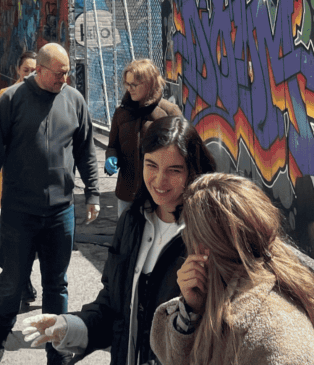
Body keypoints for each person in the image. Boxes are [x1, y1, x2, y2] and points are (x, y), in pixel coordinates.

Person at [22, 115, 216, 365]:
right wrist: (70, 326)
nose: (159, 181)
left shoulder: (208, 236)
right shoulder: (132, 222)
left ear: (193, 171)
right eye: (151, 165)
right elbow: (114, 307)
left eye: (174, 170)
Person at [0, 42, 101, 365]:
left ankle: (56, 350)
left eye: (67, 74)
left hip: (60, 212)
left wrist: (93, 193)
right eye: (59, 74)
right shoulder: (12, 99)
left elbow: (86, 150)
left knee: (56, 285)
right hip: (19, 211)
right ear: (40, 71)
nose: (65, 79)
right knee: (12, 282)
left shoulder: (74, 101)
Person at [150, 173, 314, 365]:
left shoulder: (276, 329)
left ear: (204, 248)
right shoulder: (225, 298)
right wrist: (190, 310)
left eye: (190, 237)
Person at [105, 58, 181, 217]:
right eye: (127, 84)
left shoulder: (169, 112)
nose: (129, 89)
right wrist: (111, 157)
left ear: (150, 83)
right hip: (127, 192)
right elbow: (113, 145)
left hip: (158, 194)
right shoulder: (121, 113)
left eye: (134, 85)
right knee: (126, 238)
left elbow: (183, 152)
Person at [0, 51, 38, 304]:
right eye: (25, 70)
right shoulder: (6, 96)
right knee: (15, 242)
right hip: (12, 182)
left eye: (34, 70)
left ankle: (25, 280)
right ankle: (20, 284)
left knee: (34, 241)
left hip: (39, 184)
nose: (30, 75)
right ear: (17, 70)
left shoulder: (52, 95)